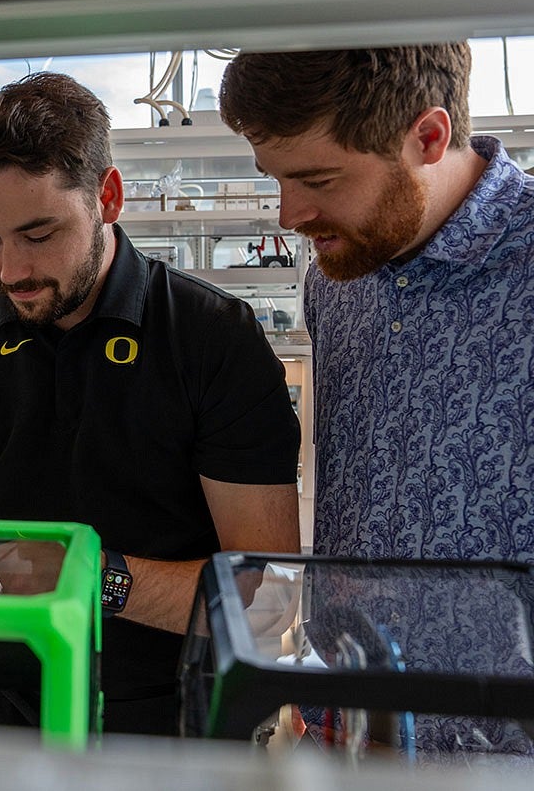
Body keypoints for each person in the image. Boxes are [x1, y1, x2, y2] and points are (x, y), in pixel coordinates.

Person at [0, 72, 302, 735]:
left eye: (38, 234)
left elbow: (262, 597)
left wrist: (94, 577)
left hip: (171, 722)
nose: (9, 272)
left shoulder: (212, 340)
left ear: (107, 196)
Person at [219, 44, 534, 566]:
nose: (289, 215)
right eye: (276, 178)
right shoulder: (331, 280)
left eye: (319, 180)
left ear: (428, 138)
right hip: (349, 646)